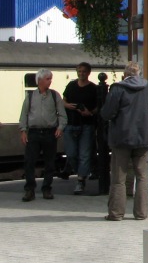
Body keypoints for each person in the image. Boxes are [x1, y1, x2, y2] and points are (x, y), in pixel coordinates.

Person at [101, 62, 148, 221]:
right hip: (143, 137)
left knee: (119, 177)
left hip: (122, 137)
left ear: (125, 74)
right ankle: (141, 213)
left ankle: (116, 213)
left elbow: (107, 112)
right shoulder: (147, 87)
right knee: (142, 176)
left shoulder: (118, 88)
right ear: (138, 73)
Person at [18, 68, 68, 201]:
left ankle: (47, 188)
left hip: (49, 132)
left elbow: (62, 114)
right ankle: (29, 189)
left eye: (51, 78)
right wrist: (23, 130)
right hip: (34, 132)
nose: (50, 81)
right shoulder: (30, 96)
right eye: (48, 79)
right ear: (40, 80)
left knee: (50, 162)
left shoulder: (54, 95)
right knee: (29, 161)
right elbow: (24, 114)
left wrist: (60, 127)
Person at [61, 61, 98, 195]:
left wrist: (90, 112)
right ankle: (80, 172)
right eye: (79, 71)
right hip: (70, 123)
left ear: (88, 73)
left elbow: (99, 106)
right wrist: (68, 106)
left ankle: (81, 179)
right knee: (71, 154)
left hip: (86, 124)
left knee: (85, 154)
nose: (81, 74)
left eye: (84, 71)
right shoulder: (71, 85)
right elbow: (63, 100)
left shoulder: (93, 88)